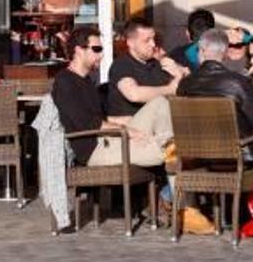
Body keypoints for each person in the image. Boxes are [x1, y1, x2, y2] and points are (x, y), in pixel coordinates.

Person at [52, 26, 174, 167]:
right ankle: (176, 183)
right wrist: (127, 131)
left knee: (160, 103)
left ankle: (169, 150)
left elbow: (98, 117)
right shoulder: (65, 81)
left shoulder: (86, 80)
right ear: (79, 50)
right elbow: (86, 122)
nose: (101, 55)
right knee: (166, 151)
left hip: (108, 138)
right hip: (95, 150)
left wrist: (126, 121)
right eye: (97, 49)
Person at [177, 29, 253, 154]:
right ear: (226, 53)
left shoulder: (185, 84)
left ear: (201, 51)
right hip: (237, 155)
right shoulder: (238, 82)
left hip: (196, 154)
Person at [107, 18, 188, 123]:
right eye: (147, 40)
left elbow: (187, 79)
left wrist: (179, 72)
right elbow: (134, 94)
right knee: (161, 105)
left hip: (158, 125)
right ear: (130, 43)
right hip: (131, 128)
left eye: (153, 39)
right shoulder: (122, 65)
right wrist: (171, 89)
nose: (153, 44)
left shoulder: (156, 63)